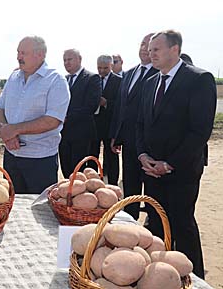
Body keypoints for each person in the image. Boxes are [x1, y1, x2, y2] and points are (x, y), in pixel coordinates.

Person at [136, 30, 216, 279]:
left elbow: (199, 130)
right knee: (156, 225)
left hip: (181, 172)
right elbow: (140, 123)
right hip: (151, 171)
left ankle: (194, 279)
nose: (151, 54)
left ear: (175, 49)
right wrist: (142, 156)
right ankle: (160, 278)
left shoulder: (199, 79)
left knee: (182, 225)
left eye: (156, 49)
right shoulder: (150, 83)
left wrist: (169, 164)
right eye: (150, 50)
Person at [0, 36, 69, 194]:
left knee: (39, 212)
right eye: (18, 52)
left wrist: (15, 130)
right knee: (12, 206)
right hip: (11, 155)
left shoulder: (56, 81)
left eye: (23, 53)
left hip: (40, 160)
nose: (18, 57)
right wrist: (7, 131)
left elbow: (52, 120)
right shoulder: (13, 78)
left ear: (40, 54)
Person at [109, 33, 158, 220]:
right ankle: (130, 223)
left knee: (152, 191)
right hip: (129, 142)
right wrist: (116, 135)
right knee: (130, 186)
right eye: (143, 44)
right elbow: (120, 107)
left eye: (151, 45)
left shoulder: (161, 75)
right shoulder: (129, 74)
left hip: (151, 145)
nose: (145, 49)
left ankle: (153, 228)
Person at [59, 49, 101, 178]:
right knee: (66, 169)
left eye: (70, 59)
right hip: (64, 134)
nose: (67, 63)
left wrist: (67, 118)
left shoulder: (91, 78)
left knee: (78, 171)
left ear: (79, 59)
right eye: (64, 60)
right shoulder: (63, 80)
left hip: (81, 134)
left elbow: (91, 106)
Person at [92, 55, 121, 185]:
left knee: (111, 158)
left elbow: (122, 105)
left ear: (111, 66)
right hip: (95, 126)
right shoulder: (93, 80)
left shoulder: (119, 81)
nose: (102, 71)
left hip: (110, 126)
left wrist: (106, 103)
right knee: (92, 155)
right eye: (99, 68)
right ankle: (92, 183)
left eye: (105, 68)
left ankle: (113, 186)